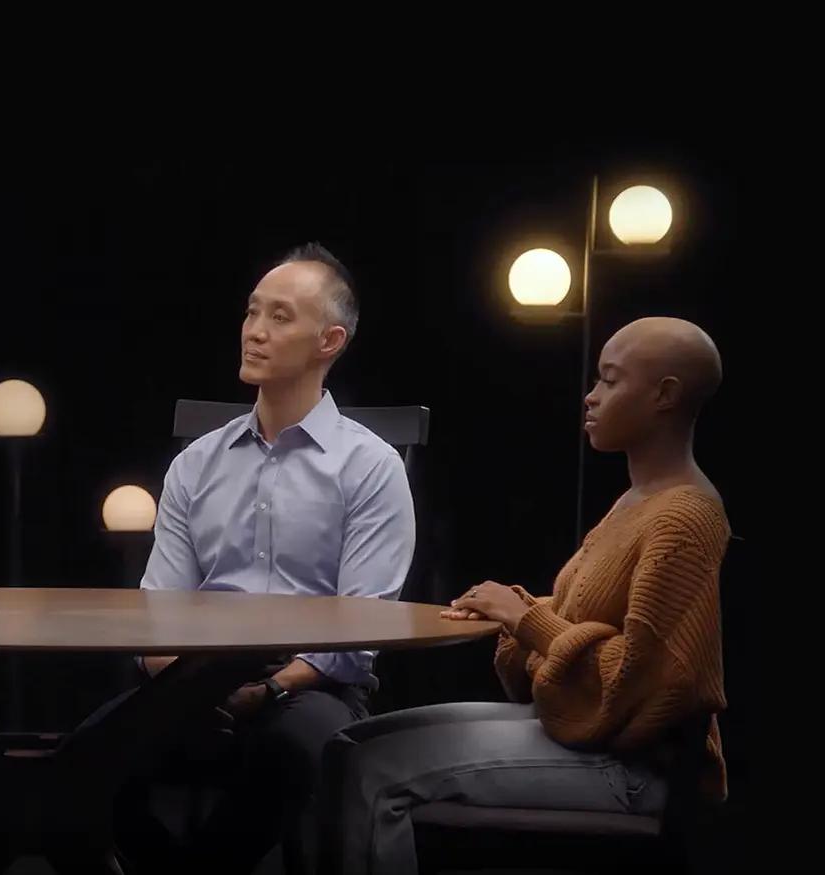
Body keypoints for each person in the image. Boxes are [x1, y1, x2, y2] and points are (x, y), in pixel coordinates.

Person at [320, 317, 729, 875]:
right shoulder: (639, 501)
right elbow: (577, 620)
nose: (591, 395)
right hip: (585, 739)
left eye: (610, 380)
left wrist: (527, 621)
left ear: (665, 395)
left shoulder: (685, 517)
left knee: (371, 771)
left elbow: (649, 681)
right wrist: (518, 612)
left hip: (632, 767)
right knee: (344, 748)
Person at [111, 243, 418, 874]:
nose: (254, 330)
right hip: (195, 672)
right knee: (89, 756)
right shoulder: (196, 463)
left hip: (310, 681)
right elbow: (156, 612)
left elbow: (360, 627)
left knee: (293, 751)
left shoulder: (370, 466)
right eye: (252, 312)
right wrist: (185, 684)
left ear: (329, 341)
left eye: (280, 317)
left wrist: (270, 688)